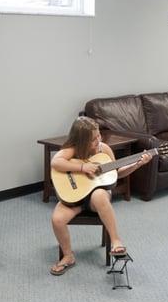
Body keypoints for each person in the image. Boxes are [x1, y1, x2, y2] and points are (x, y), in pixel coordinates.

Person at [49, 116, 152, 275]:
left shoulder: (104, 149)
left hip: (97, 197)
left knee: (98, 195)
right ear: (80, 141)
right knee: (57, 219)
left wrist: (138, 163)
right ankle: (68, 256)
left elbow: (117, 172)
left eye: (99, 136)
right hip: (75, 197)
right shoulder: (73, 149)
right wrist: (83, 168)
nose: (98, 140)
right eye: (93, 139)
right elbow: (56, 163)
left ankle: (116, 241)